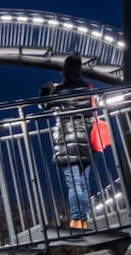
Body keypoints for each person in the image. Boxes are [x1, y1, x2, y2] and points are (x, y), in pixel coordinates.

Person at [39, 53, 94, 229]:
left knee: (73, 183)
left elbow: (44, 105)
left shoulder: (61, 90)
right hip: (85, 139)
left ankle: (77, 220)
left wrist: (46, 89)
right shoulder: (86, 87)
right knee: (83, 183)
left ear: (65, 71)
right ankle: (83, 220)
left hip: (67, 140)